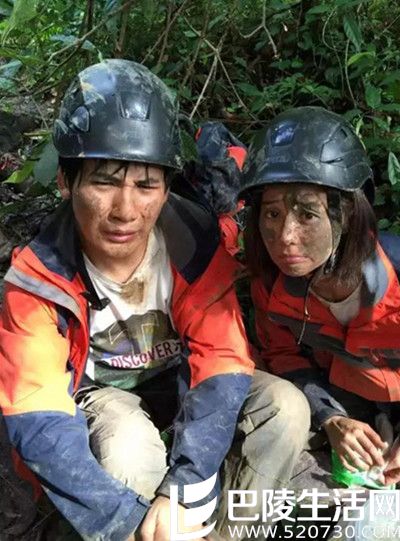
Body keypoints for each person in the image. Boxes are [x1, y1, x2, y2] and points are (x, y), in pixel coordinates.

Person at [0, 59, 310, 541]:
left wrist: (185, 489)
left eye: (146, 185)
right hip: (102, 392)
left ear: (166, 189)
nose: (125, 210)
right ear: (66, 182)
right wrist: (123, 518)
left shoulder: (193, 242)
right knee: (128, 448)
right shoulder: (38, 279)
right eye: (104, 181)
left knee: (284, 407)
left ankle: (228, 533)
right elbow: (35, 411)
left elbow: (222, 358)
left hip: (181, 375)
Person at [241, 106, 400, 489]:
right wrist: (331, 418)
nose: (285, 236)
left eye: (307, 215)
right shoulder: (272, 287)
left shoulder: (395, 277)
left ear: (347, 214)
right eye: (272, 214)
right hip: (352, 399)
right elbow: (285, 357)